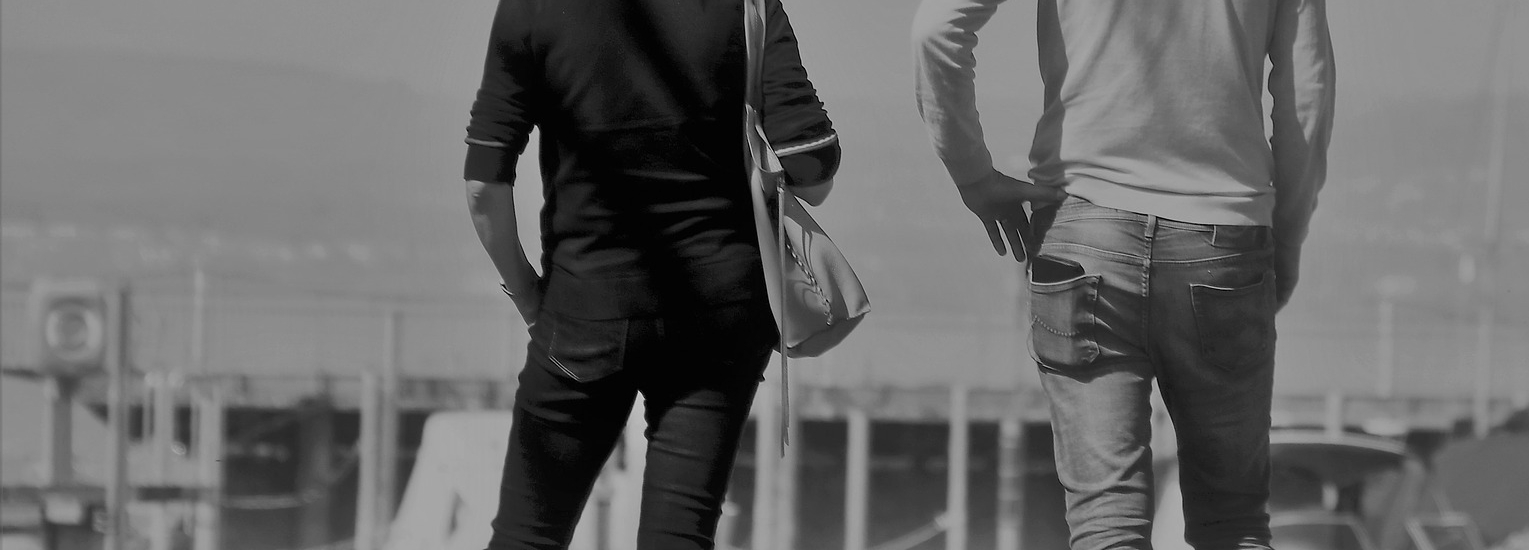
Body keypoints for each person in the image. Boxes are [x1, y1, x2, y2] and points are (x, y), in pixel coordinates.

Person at [911, 0, 1334, 548]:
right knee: (1233, 523)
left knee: (1105, 523)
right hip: (1222, 236)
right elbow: (1308, 97)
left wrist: (973, 176)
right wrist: (1288, 234)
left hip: (1082, 232)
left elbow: (935, 29)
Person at [460, 0, 840, 547]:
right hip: (721, 312)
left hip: (584, 306)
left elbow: (483, 186)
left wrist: (527, 294)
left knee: (527, 535)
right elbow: (811, 166)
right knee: (680, 534)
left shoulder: (531, 7)